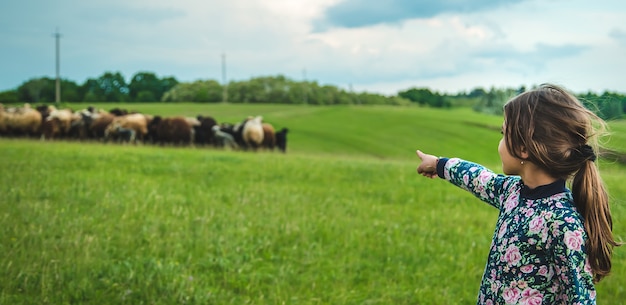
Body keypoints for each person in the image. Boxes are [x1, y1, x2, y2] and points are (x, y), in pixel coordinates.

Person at [415, 84, 619, 304]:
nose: (500, 143)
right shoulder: (512, 191)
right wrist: (439, 164)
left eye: (504, 134)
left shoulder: (563, 222)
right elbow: (479, 179)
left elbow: (581, 297)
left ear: (524, 149)